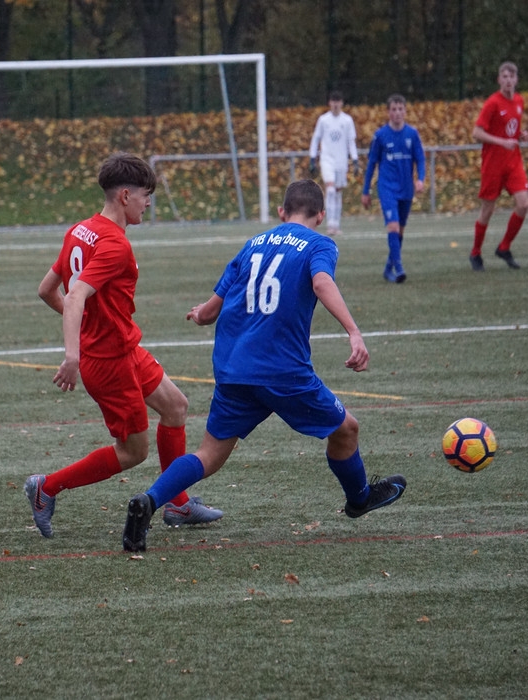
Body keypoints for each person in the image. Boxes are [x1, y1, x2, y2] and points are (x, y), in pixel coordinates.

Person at [122, 180, 406, 552]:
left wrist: (198, 313)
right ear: (320, 215)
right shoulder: (320, 244)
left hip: (234, 367)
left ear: (282, 213)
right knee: (346, 430)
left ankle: (149, 500)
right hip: (283, 371)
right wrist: (354, 332)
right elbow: (321, 283)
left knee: (208, 454)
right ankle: (359, 499)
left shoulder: (253, 243)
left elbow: (209, 311)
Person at [25, 152, 223, 538]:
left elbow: (47, 290)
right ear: (125, 195)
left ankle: (179, 504)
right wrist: (73, 353)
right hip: (108, 362)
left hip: (125, 349)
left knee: (176, 406)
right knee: (133, 451)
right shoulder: (115, 244)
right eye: (146, 196)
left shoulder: (79, 230)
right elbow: (77, 294)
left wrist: (84, 326)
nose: (148, 203)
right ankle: (46, 488)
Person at [469, 62, 528, 271]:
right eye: (504, 76)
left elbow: (511, 130)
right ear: (499, 80)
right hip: (493, 164)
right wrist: (501, 141)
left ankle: (504, 247)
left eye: (512, 77)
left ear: (516, 80)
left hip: (513, 163)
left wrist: (520, 135)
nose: (508, 80)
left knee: (523, 204)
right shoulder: (492, 103)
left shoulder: (520, 101)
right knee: (488, 210)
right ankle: (475, 253)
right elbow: (476, 133)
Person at [362, 94, 426, 284]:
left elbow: (420, 159)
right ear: (388, 112)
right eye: (394, 109)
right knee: (393, 226)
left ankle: (389, 267)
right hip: (387, 187)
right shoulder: (380, 136)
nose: (397, 113)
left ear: (405, 111)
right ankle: (398, 267)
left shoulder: (412, 134)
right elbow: (372, 164)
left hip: (406, 188)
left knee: (400, 231)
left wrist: (420, 179)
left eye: (400, 109)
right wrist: (366, 191)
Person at [308, 90, 359, 236]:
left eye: (338, 101)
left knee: (337, 193)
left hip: (341, 161)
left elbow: (351, 142)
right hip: (327, 160)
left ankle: (336, 224)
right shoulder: (324, 120)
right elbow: (316, 139)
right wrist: (313, 158)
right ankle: (330, 224)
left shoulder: (347, 121)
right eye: (333, 101)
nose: (336, 104)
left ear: (342, 103)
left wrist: (355, 160)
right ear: (329, 103)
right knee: (330, 190)